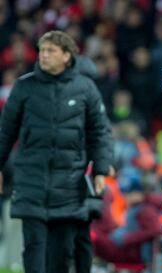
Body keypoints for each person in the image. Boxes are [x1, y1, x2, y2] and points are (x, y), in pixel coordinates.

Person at [0, 30, 111, 273]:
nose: (44, 55)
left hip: (69, 186)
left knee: (61, 253)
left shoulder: (86, 89)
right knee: (34, 248)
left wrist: (101, 170)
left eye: (51, 50)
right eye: (42, 50)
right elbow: (5, 131)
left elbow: (100, 132)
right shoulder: (24, 86)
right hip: (31, 180)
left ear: (67, 56)